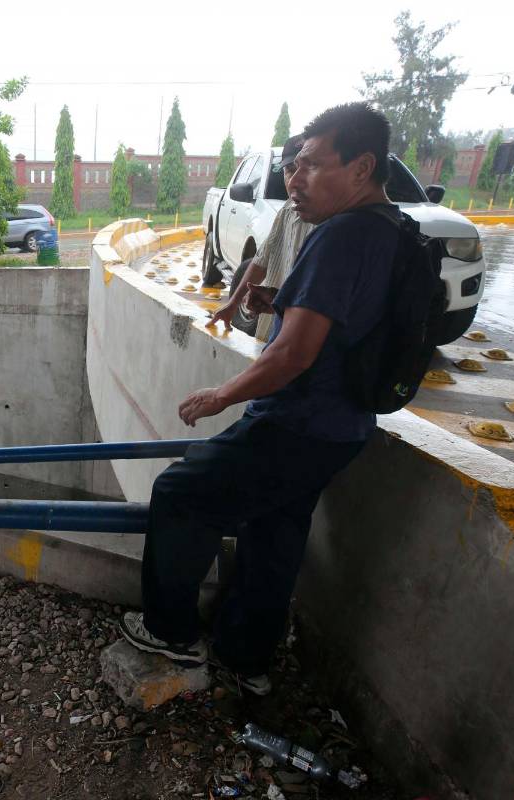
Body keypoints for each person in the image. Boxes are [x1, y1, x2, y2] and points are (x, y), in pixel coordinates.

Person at [120, 102, 400, 695]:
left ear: (361, 166)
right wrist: (279, 306)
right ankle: (246, 660)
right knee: (275, 533)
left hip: (299, 420)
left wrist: (222, 394)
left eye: (311, 165)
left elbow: (293, 355)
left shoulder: (342, 236)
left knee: (180, 493)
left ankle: (170, 632)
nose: (295, 179)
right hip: (345, 427)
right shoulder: (391, 229)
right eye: (293, 166)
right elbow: (347, 324)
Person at [210, 135, 315, 342]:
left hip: (297, 345)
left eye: (309, 169)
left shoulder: (330, 226)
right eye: (290, 171)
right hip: (274, 334)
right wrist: (232, 305)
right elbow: (262, 260)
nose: (294, 181)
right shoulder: (286, 210)